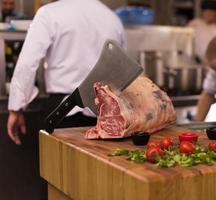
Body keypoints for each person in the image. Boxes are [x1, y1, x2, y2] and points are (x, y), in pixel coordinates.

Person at [7, 0, 126, 145]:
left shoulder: (49, 13)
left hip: (63, 113)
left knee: (61, 166)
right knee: (99, 166)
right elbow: (122, 67)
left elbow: (27, 63)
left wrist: (16, 107)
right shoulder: (111, 17)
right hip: (106, 114)